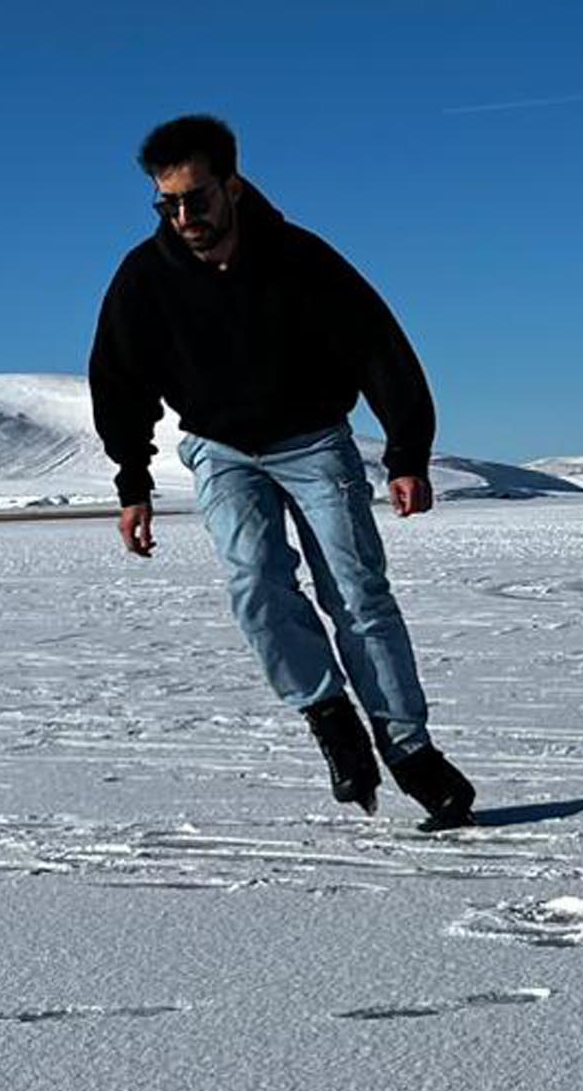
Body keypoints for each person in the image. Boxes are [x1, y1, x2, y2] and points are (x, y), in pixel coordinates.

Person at [88, 114, 477, 831]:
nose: (184, 218)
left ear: (231, 187)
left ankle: (410, 751)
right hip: (220, 450)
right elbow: (118, 382)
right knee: (256, 585)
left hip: (314, 443)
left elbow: (379, 348)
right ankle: (330, 716)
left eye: (196, 200)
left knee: (358, 595)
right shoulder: (144, 278)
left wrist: (407, 454)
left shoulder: (301, 259)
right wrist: (132, 485)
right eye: (168, 205)